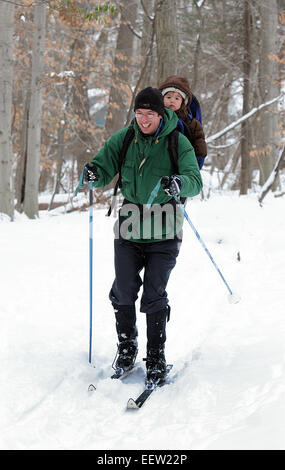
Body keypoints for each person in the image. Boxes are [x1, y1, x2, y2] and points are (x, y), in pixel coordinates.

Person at [83, 87, 203, 384]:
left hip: (164, 229)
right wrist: (93, 173)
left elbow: (194, 181)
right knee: (123, 290)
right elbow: (103, 165)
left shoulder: (178, 141)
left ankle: (156, 355)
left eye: (150, 114)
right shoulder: (124, 138)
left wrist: (179, 182)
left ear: (161, 114)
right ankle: (127, 347)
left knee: (153, 294)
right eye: (139, 113)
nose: (144, 120)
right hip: (130, 226)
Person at [158, 75, 207, 169]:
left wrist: (196, 165)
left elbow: (199, 143)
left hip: (180, 164)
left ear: (183, 102)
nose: (172, 100)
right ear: (162, 98)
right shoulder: (154, 116)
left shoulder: (191, 123)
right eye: (168, 97)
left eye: (177, 98)